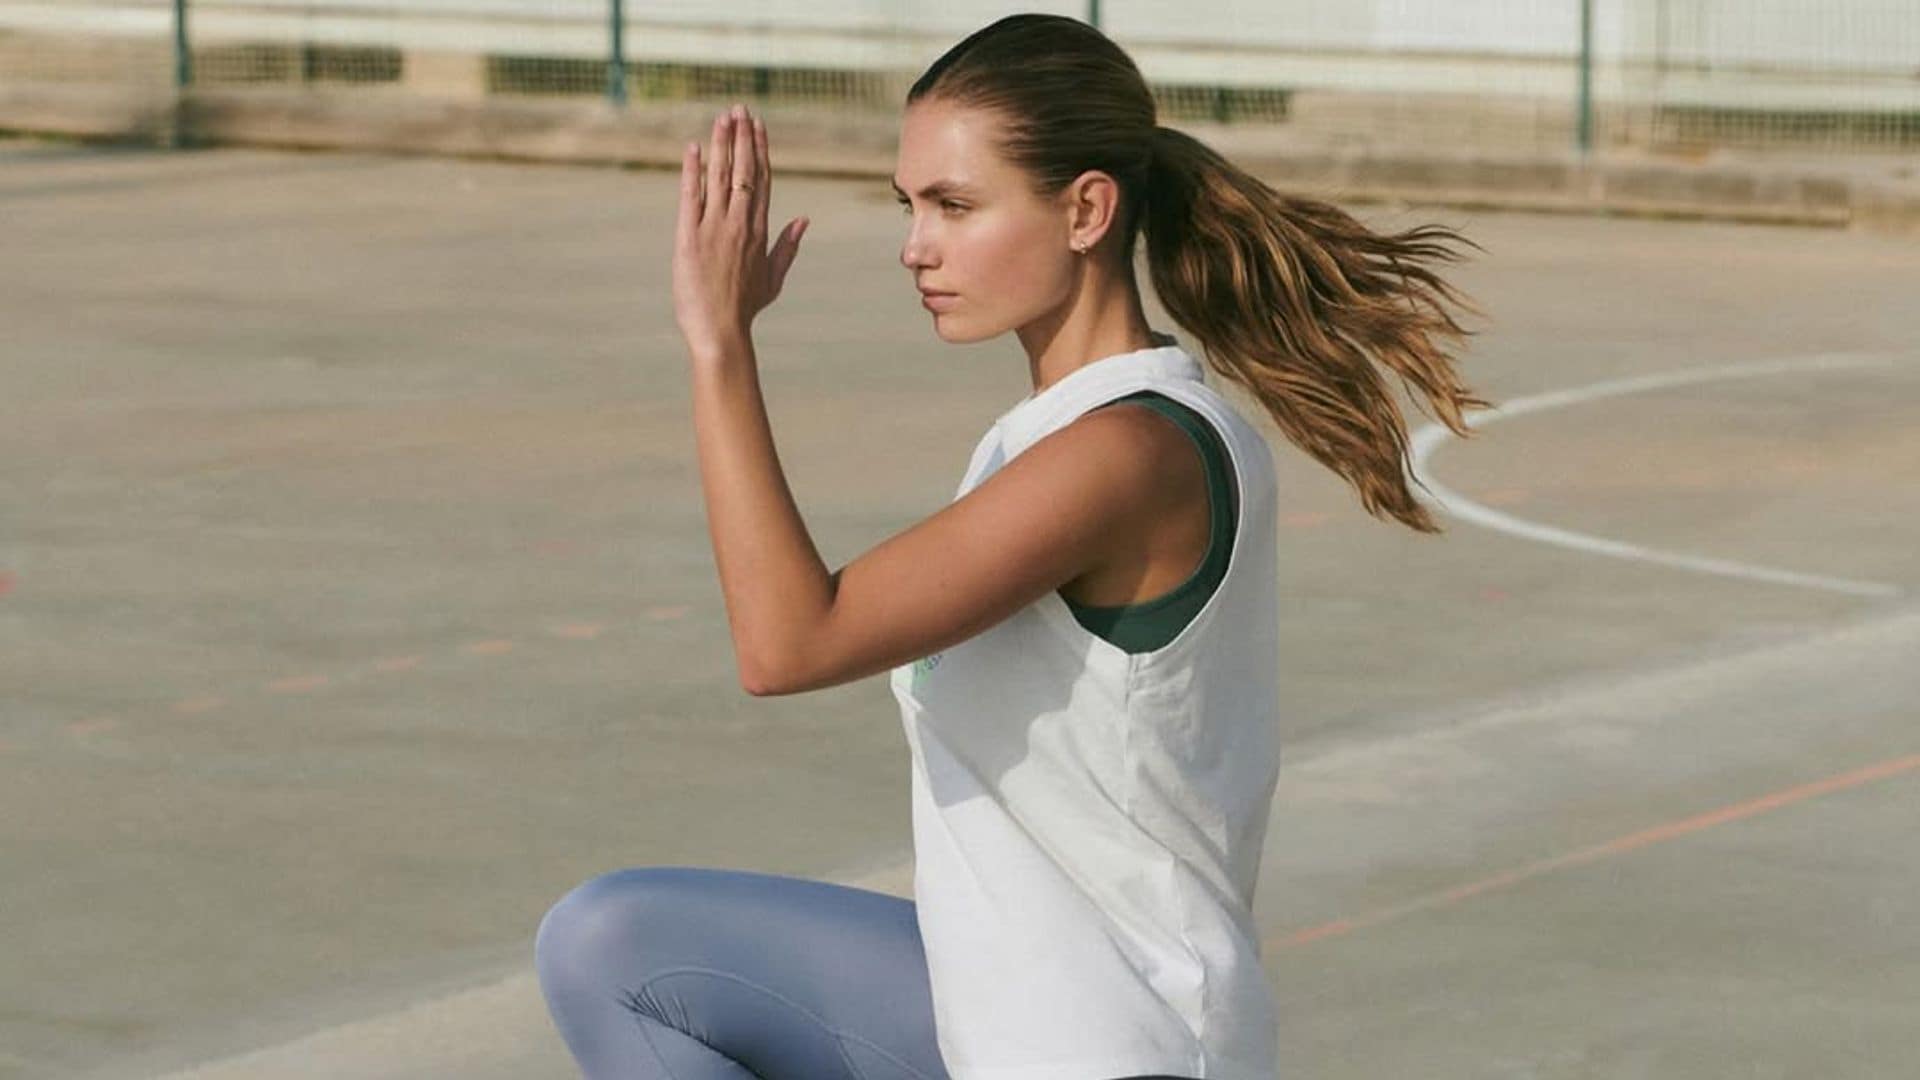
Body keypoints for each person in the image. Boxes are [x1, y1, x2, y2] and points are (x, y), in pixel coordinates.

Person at [535, 12, 1491, 1079]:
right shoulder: (1049, 434)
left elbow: (790, 643)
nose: (916, 245)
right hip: (999, 1022)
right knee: (614, 942)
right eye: (909, 206)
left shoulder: (1130, 452)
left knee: (618, 946)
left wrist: (719, 348)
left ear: (1085, 209)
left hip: (1111, 1052)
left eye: (955, 205)